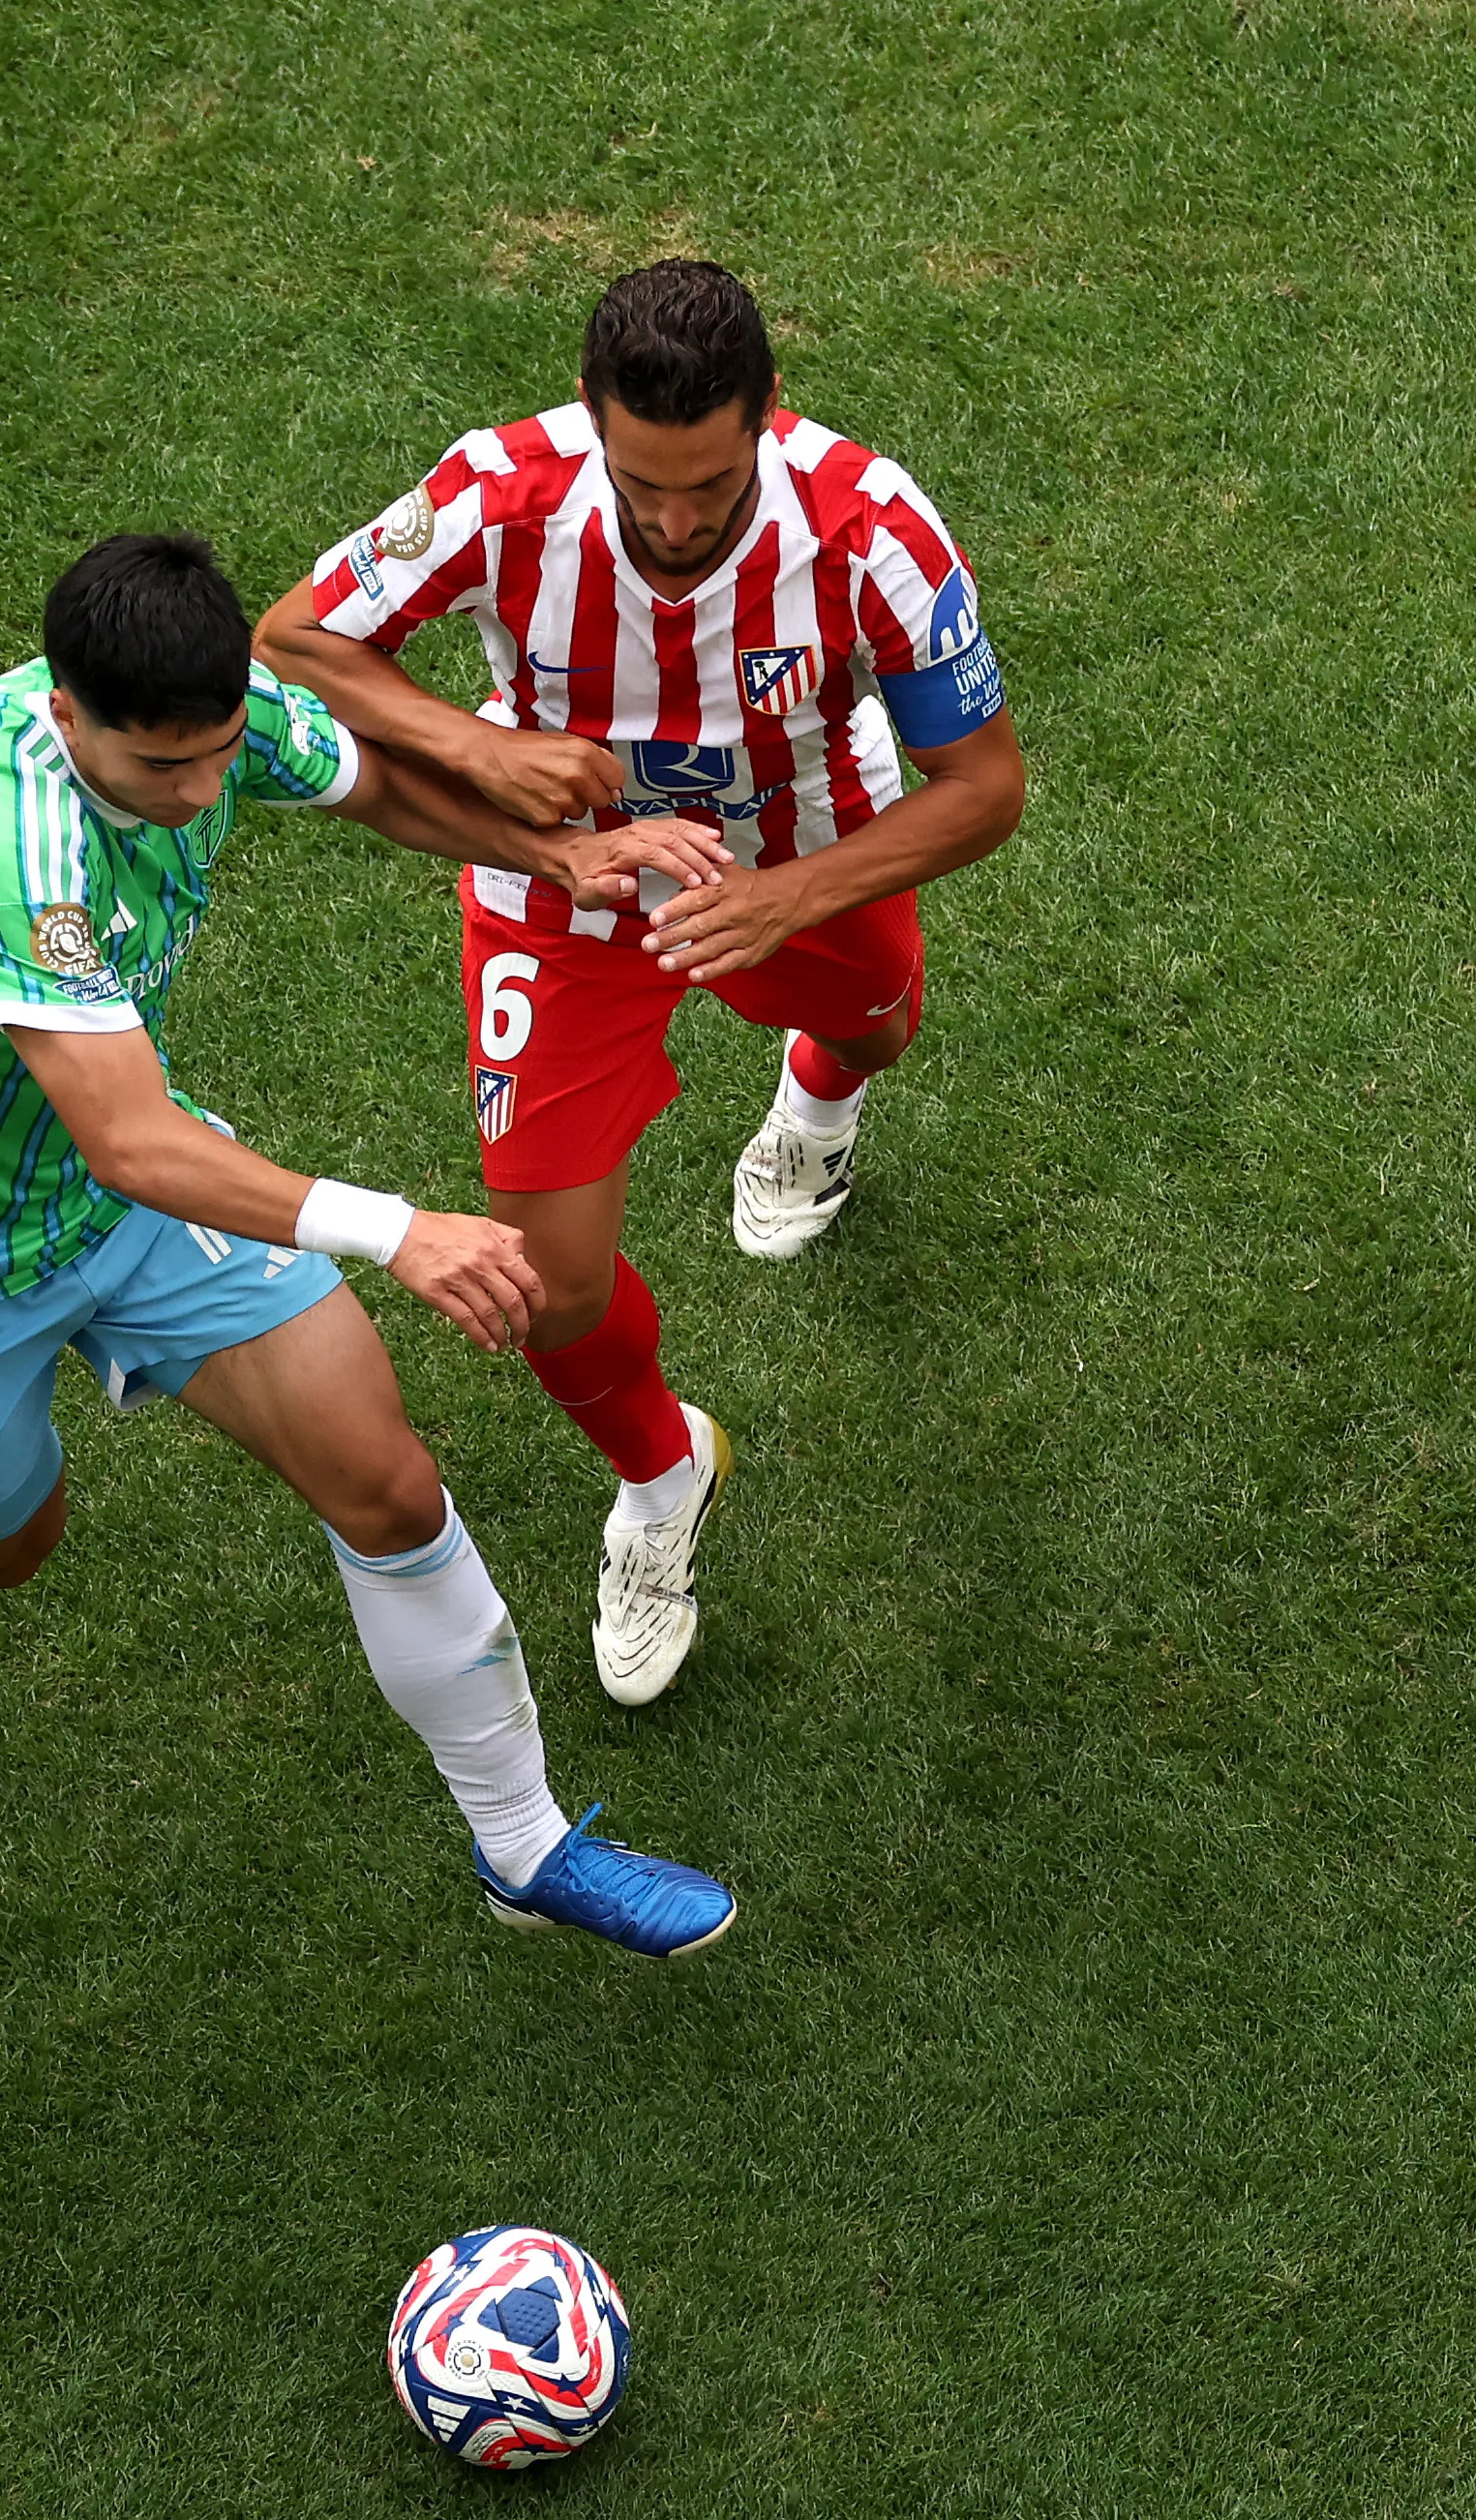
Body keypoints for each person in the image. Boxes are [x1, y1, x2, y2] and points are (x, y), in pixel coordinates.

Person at [0, 532, 738, 1957]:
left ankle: (523, 1845)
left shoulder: (210, 709)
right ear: (68, 710)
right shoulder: (3, 838)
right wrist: (398, 1233)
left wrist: (559, 855)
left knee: (382, 1480)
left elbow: (366, 780)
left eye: (215, 756)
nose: (202, 792)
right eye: (162, 772)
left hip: (127, 1209)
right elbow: (127, 1135)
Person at [256, 258, 1028, 1708]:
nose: (674, 526)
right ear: (590, 421)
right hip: (565, 886)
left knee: (879, 1028)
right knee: (545, 1284)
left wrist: (781, 898)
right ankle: (663, 1478)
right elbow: (294, 639)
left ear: (767, 424)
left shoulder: (872, 530)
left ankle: (815, 1102)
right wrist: (479, 751)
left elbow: (983, 788)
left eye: (711, 487)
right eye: (640, 485)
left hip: (801, 859)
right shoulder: (499, 492)